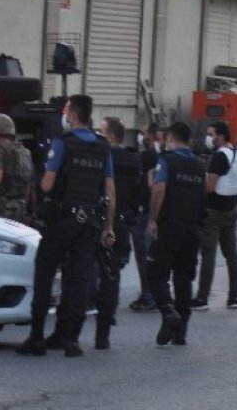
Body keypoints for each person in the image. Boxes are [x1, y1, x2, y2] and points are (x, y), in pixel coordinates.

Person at [17, 95, 116, 358]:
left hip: (61, 219)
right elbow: (109, 191)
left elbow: (47, 185)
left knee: (45, 274)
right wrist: (108, 226)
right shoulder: (103, 146)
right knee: (79, 280)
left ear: (72, 115)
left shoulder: (63, 143)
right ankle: (71, 339)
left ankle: (36, 337)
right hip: (90, 222)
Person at [147, 122, 205, 346]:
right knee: (184, 279)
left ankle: (168, 311)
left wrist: (153, 218)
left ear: (171, 139)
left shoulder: (167, 160)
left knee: (156, 274)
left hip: (169, 226)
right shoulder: (200, 164)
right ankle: (181, 332)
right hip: (193, 228)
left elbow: (159, 189)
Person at [93, 116, 139, 349]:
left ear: (112, 136)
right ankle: (105, 325)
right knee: (113, 274)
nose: (98, 136)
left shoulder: (101, 156)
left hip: (101, 221)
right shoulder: (134, 159)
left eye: (101, 132)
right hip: (123, 224)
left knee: (90, 271)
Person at [194, 120, 237, 310]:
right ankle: (233, 298)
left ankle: (202, 299)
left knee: (208, 254)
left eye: (211, 134)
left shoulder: (218, 157)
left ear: (221, 136)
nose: (209, 138)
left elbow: (210, 187)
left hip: (214, 211)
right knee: (232, 255)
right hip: (232, 209)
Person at [128, 123, 162, 312]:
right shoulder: (160, 154)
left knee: (143, 254)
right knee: (149, 255)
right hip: (151, 211)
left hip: (145, 211)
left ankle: (148, 295)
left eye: (143, 132)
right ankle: (150, 293)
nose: (141, 136)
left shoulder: (148, 156)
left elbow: (150, 185)